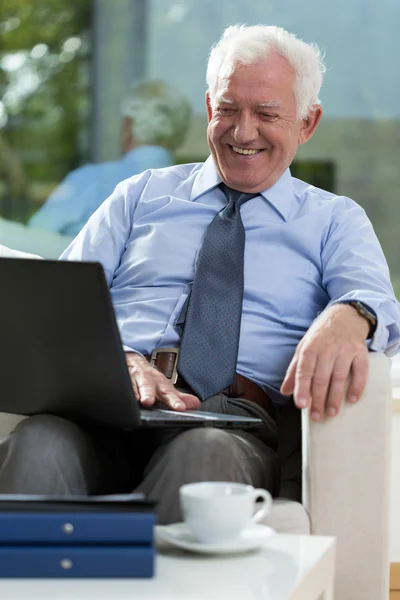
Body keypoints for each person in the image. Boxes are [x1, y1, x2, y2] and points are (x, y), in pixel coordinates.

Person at [0, 24, 399, 524]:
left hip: (229, 424)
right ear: (209, 109)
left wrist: (348, 314)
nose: (243, 130)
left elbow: (376, 301)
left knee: (203, 457)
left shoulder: (333, 219)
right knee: (39, 444)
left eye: (267, 114)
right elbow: (55, 306)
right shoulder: (139, 195)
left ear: (308, 122)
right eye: (228, 109)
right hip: (104, 406)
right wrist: (119, 358)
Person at [27, 80, 192, 236]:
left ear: (127, 125)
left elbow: (33, 240)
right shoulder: (197, 192)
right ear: (180, 136)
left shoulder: (87, 181)